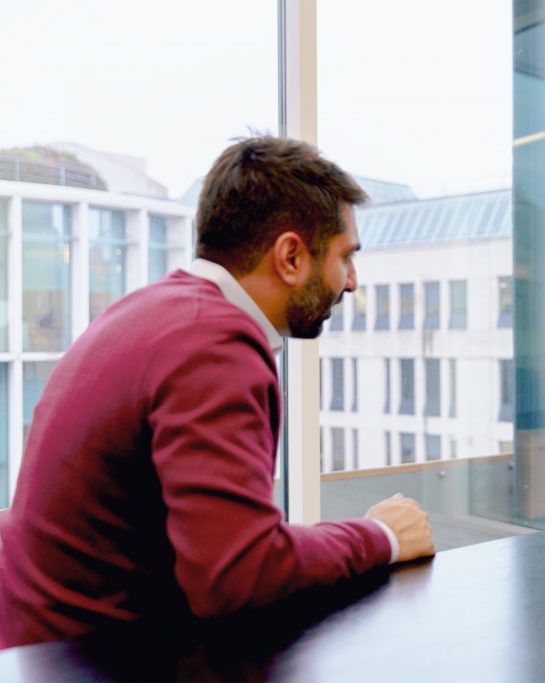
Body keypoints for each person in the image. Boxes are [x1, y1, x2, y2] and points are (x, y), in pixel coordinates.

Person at [0, 136, 435, 649]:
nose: (352, 282)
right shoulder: (215, 347)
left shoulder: (154, 310)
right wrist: (380, 536)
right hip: (82, 659)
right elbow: (237, 574)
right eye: (345, 257)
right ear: (291, 256)